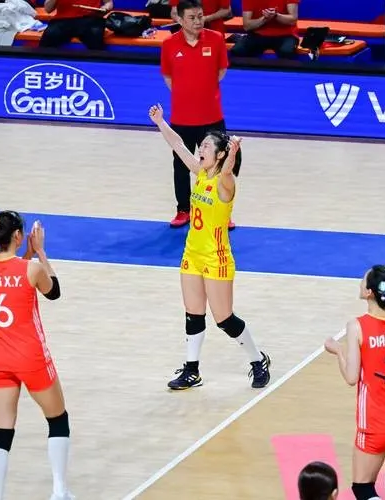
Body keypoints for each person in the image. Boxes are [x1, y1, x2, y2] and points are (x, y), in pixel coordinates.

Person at [148, 103, 271, 390]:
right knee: (193, 314)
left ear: (220, 155)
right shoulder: (200, 173)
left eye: (205, 146)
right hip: (192, 254)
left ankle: (257, 360)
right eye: (201, 145)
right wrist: (161, 122)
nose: (200, 149)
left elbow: (226, 171)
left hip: (217, 258)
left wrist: (233, 152)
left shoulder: (225, 183)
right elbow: (178, 145)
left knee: (224, 319)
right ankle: (192, 370)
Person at [0, 211, 73, 500]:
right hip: (30, 357)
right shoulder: (32, 269)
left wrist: (26, 254)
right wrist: (40, 251)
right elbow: (53, 291)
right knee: (58, 419)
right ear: (18, 235)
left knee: (2, 432)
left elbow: (10, 275)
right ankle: (59, 491)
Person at [324, 265, 385, 500]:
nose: (360, 282)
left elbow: (351, 377)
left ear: (369, 292)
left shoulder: (357, 326)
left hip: (375, 421)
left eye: (363, 280)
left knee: (363, 488)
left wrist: (338, 351)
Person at [160, 0, 236, 230]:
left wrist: (204, 91)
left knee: (219, 165)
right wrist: (187, 95)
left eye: (200, 16)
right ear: (180, 19)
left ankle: (222, 211)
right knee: (181, 164)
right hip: (182, 117)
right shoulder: (169, 44)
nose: (198, 21)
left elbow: (221, 70)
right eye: (192, 18)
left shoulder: (216, 39)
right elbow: (168, 77)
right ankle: (183, 209)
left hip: (212, 116)